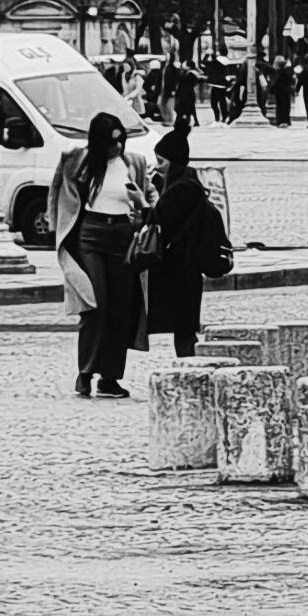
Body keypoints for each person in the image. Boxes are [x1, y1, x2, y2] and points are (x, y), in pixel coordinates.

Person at [48, 110, 146, 399]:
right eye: (111, 142)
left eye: (121, 141)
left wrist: (141, 204)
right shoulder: (78, 162)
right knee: (94, 305)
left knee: (120, 309)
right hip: (91, 235)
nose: (117, 147)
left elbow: (150, 198)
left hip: (123, 236)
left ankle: (110, 377)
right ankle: (85, 372)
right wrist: (57, 227)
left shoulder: (134, 163)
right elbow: (59, 192)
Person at [134, 126, 231, 360]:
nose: (158, 165)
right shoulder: (186, 183)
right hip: (184, 265)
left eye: (161, 160)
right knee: (183, 324)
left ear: (173, 160)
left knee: (183, 325)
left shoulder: (182, 190)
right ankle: (188, 360)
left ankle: (189, 365)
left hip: (181, 266)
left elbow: (163, 222)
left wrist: (142, 202)